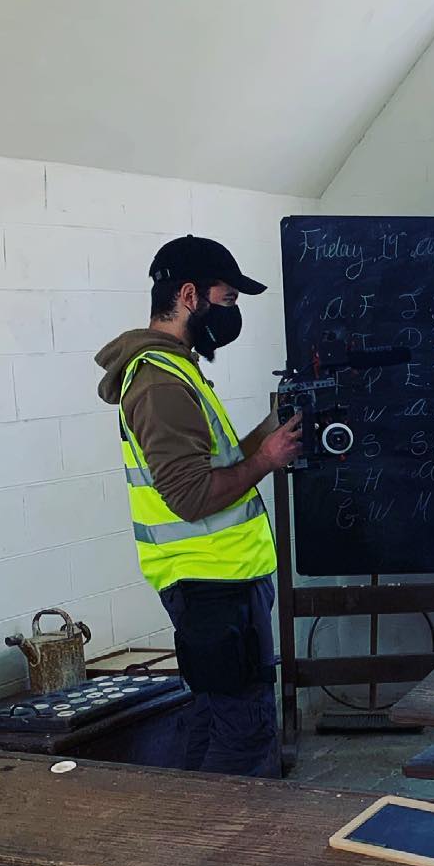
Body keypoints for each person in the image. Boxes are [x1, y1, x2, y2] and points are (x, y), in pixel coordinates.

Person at [94, 236, 302, 778]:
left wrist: (273, 429)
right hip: (211, 589)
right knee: (245, 735)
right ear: (190, 296)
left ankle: (191, 827)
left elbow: (217, 464)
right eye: (227, 299)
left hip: (222, 584)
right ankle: (233, 834)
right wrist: (268, 459)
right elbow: (191, 497)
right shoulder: (159, 383)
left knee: (213, 723)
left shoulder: (177, 370)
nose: (232, 313)